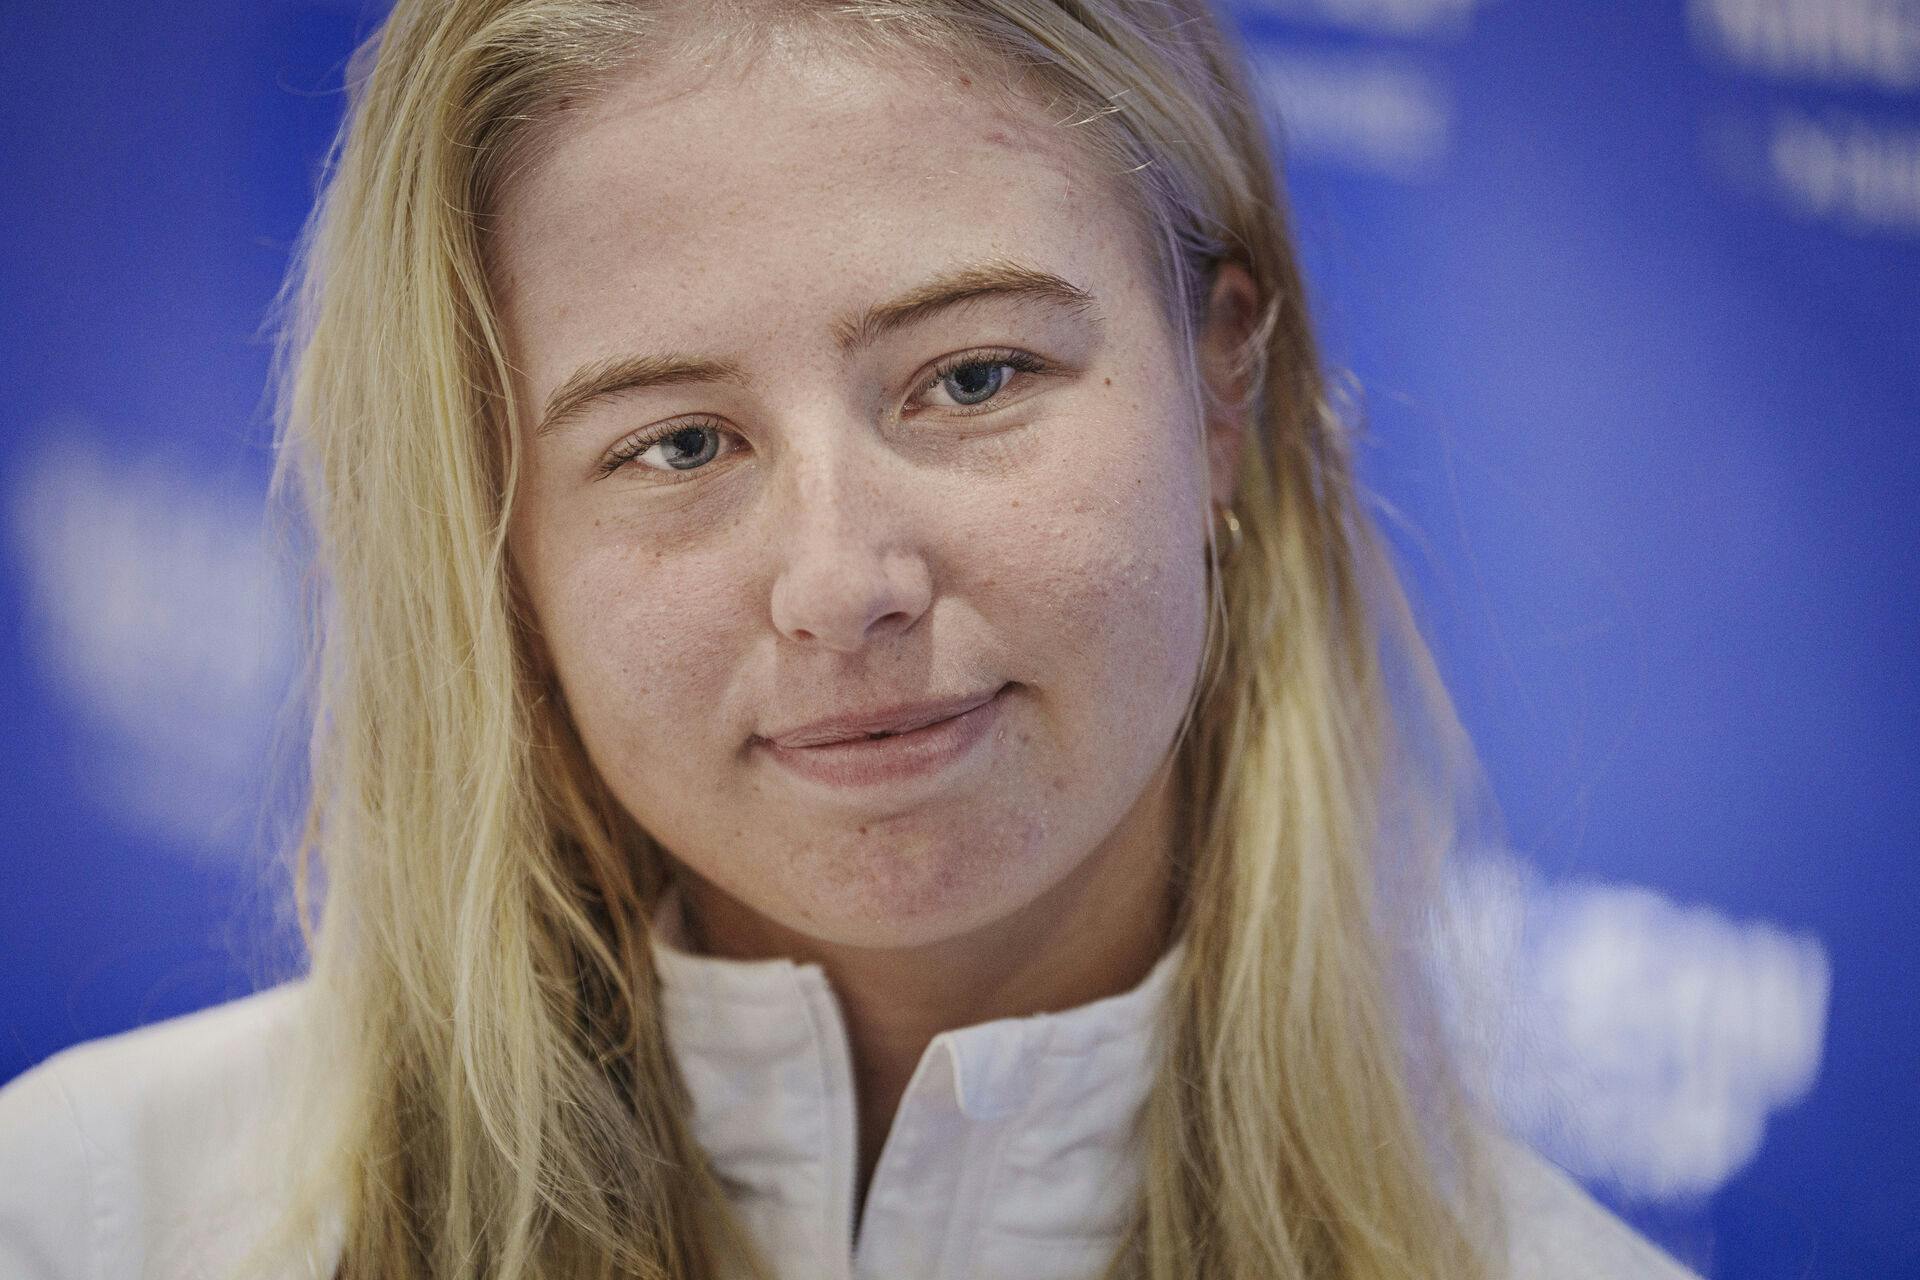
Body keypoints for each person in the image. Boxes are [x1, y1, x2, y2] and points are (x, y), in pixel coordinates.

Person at [0, 2, 1708, 1277]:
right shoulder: (96, 1217)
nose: (841, 580)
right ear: (495, 537)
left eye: (973, 377)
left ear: (1222, 395)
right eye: (676, 444)